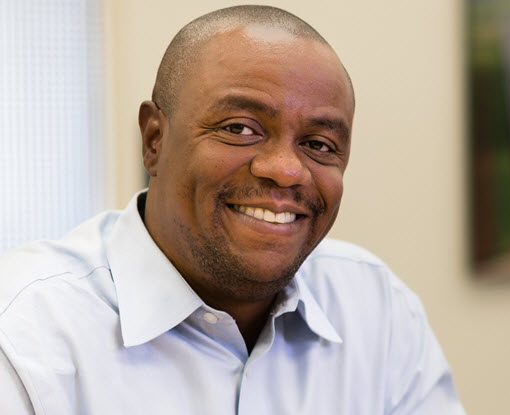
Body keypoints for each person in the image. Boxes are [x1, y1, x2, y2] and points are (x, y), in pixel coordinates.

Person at [0, 5, 465, 414]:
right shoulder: (25, 332)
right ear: (154, 140)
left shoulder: (377, 310)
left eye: (319, 144)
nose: (286, 170)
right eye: (240, 128)